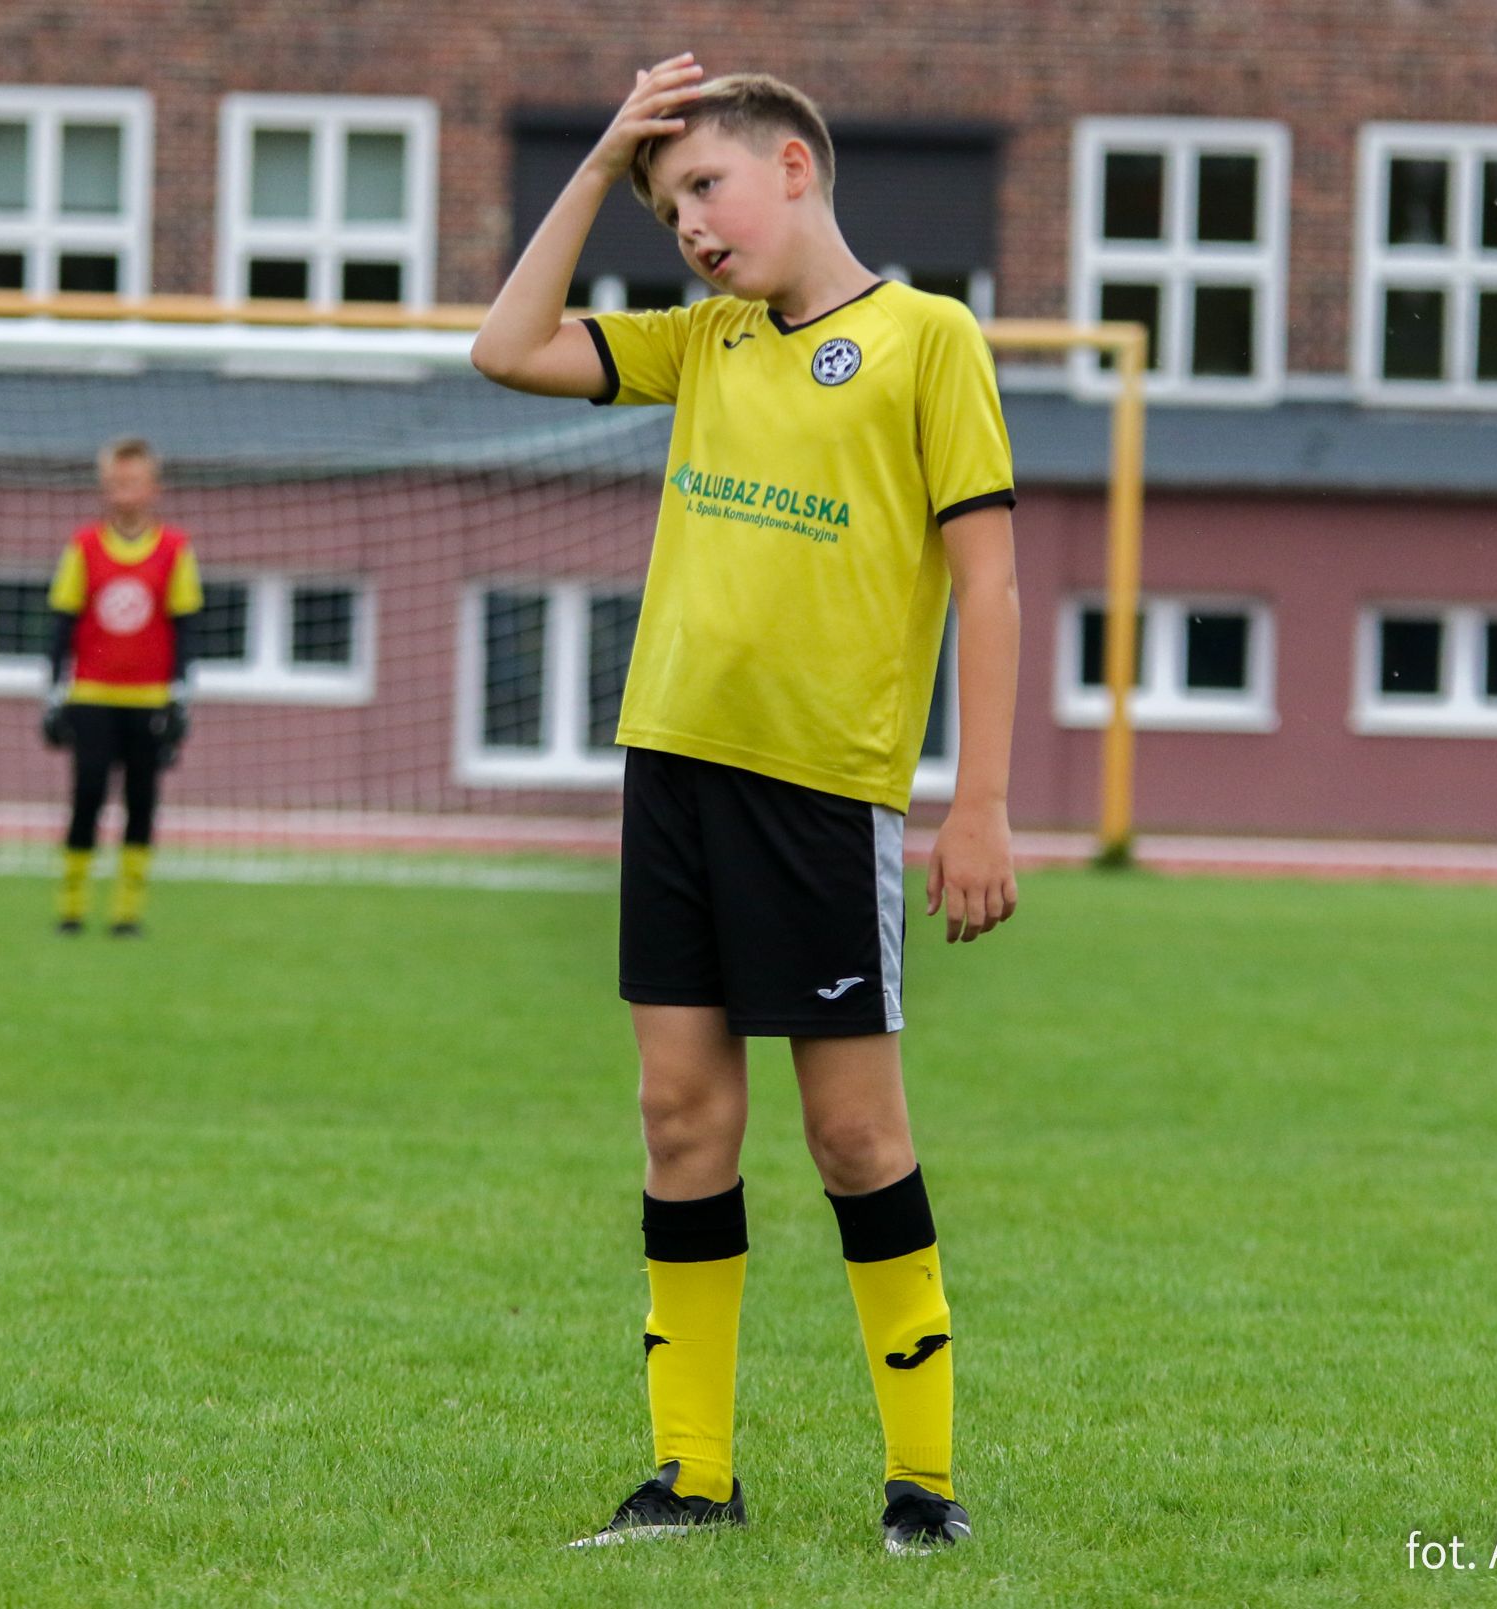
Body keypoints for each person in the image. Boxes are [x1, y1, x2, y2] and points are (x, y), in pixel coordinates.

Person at [469, 58, 1022, 1555]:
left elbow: (989, 584)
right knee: (679, 1119)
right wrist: (601, 164)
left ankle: (923, 1488)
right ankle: (691, 1480)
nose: (693, 230)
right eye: (668, 213)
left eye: (704, 187)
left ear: (794, 166)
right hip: (674, 768)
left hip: (823, 792)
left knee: (853, 1135)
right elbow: (506, 347)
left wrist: (978, 802)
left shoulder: (926, 337)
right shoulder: (702, 343)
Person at [42, 437, 204, 936]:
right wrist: (53, 693)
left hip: (149, 697)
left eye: (133, 482)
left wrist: (181, 696)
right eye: (115, 483)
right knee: (87, 794)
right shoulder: (84, 546)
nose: (124, 492)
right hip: (92, 694)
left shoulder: (174, 548)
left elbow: (185, 627)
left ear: (154, 488)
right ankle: (72, 906)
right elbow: (62, 622)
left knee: (142, 800)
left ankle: (127, 912)